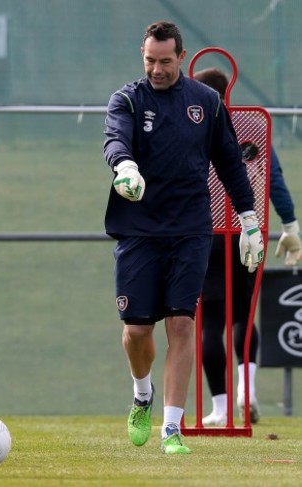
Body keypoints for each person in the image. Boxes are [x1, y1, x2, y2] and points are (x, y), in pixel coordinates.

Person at [103, 21, 264, 454]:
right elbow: (115, 138)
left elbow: (230, 161)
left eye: (166, 61)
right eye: (150, 60)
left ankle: (171, 429)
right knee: (137, 331)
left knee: (182, 323)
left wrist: (249, 219)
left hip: (191, 229)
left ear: (181, 56)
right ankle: (142, 394)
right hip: (138, 229)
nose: (156, 69)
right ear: (143, 53)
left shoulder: (206, 102)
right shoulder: (128, 99)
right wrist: (124, 167)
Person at [193, 67, 302, 426]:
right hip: (247, 231)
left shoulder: (191, 126)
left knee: (210, 323)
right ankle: (247, 391)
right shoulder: (253, 127)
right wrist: (291, 225)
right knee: (243, 314)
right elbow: (275, 179)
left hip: (205, 234)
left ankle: (221, 408)